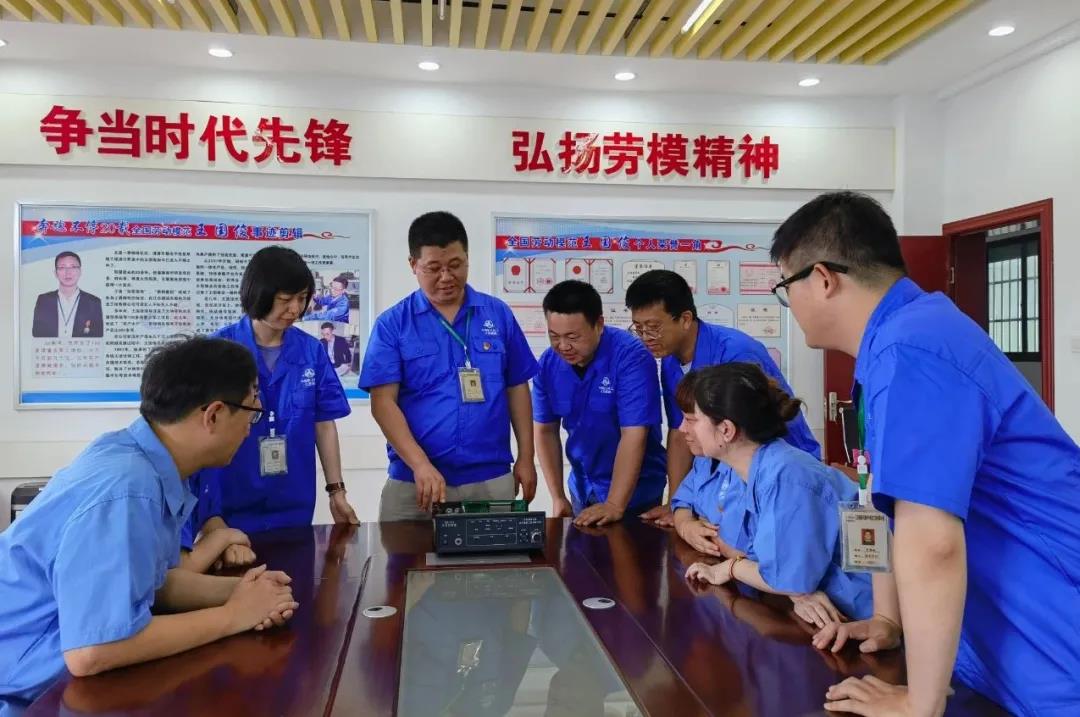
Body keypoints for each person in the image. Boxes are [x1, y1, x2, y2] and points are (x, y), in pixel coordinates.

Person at [769, 192, 1080, 717]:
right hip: (1004, 652)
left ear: (822, 279)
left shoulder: (912, 350)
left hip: (1055, 643)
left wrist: (920, 703)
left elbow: (931, 540)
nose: (790, 304)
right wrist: (889, 620)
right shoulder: (900, 342)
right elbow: (887, 505)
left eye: (785, 287)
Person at [0, 337, 298, 704]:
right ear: (214, 415)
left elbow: (151, 584)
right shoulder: (128, 488)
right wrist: (235, 615)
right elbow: (94, 650)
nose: (250, 429)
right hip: (21, 694)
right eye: (251, 411)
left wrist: (242, 591)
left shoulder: (139, 458)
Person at [360, 211, 538, 521]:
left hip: (490, 477)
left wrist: (526, 456)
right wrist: (420, 464)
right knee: (402, 553)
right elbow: (382, 403)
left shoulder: (497, 314)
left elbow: (517, 387)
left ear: (467, 259)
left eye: (455, 265)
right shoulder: (393, 324)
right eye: (433, 268)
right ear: (413, 265)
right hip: (414, 481)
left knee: (499, 553)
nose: (446, 277)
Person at [187, 246, 359, 541]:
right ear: (259, 294)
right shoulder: (218, 350)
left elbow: (323, 424)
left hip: (293, 502)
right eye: (285, 299)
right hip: (227, 506)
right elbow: (198, 432)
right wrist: (209, 514)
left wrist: (336, 491)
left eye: (302, 298)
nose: (295, 309)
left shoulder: (311, 351)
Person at [624, 269, 819, 526]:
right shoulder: (670, 360)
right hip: (731, 479)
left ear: (685, 319)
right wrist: (676, 503)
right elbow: (680, 432)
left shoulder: (735, 353)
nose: (646, 338)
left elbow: (745, 441)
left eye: (653, 327)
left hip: (781, 475)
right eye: (638, 328)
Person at [683, 363, 872, 625]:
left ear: (726, 429)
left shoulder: (786, 475)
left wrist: (730, 569)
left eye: (694, 420)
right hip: (832, 611)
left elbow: (789, 579)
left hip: (866, 613)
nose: (684, 429)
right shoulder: (757, 470)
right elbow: (774, 565)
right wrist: (793, 590)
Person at [532, 279, 667, 527]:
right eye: (554, 336)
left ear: (599, 325)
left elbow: (634, 434)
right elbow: (544, 431)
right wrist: (558, 496)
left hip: (636, 495)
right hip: (583, 488)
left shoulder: (631, 357)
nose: (563, 346)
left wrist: (614, 504)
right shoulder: (548, 364)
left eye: (573, 336)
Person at [668, 370, 745, 560]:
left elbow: (743, 549)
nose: (682, 429)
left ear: (725, 428)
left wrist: (711, 535)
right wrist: (687, 526)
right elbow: (682, 502)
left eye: (690, 420)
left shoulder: (750, 472)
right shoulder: (703, 461)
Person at [31, 251, 104, 338]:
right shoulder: (43, 301)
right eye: (62, 267)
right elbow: (37, 334)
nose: (68, 272)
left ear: (80, 272)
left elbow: (98, 337)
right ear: (55, 273)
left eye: (73, 267)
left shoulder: (94, 302)